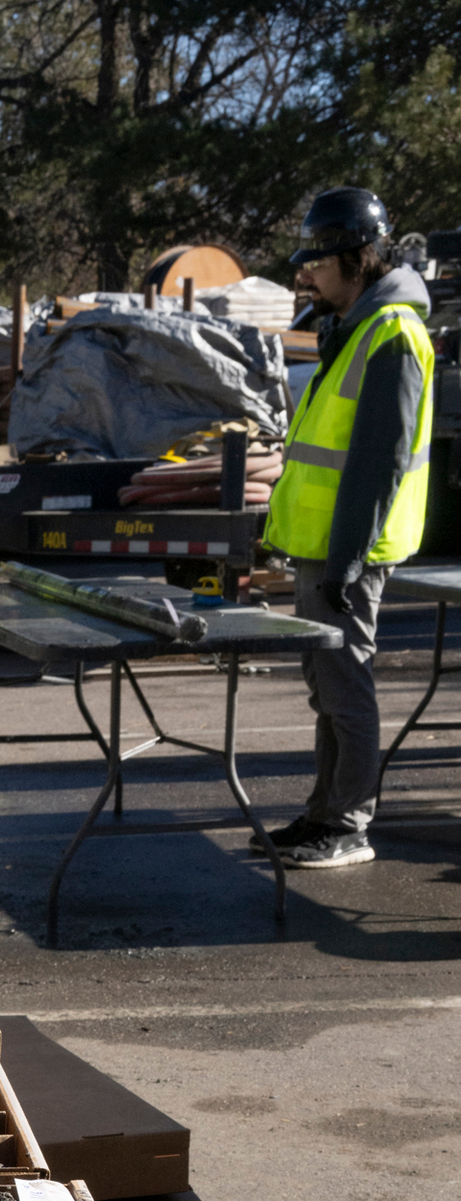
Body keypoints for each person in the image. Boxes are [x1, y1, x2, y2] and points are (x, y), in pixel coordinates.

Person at [262, 188, 433, 868]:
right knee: (328, 691)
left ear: (355, 259)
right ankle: (323, 812)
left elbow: (375, 463)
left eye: (317, 265)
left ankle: (349, 825)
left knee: (347, 689)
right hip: (325, 549)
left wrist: (345, 563)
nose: (306, 276)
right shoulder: (359, 326)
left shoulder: (391, 333)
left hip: (348, 553)